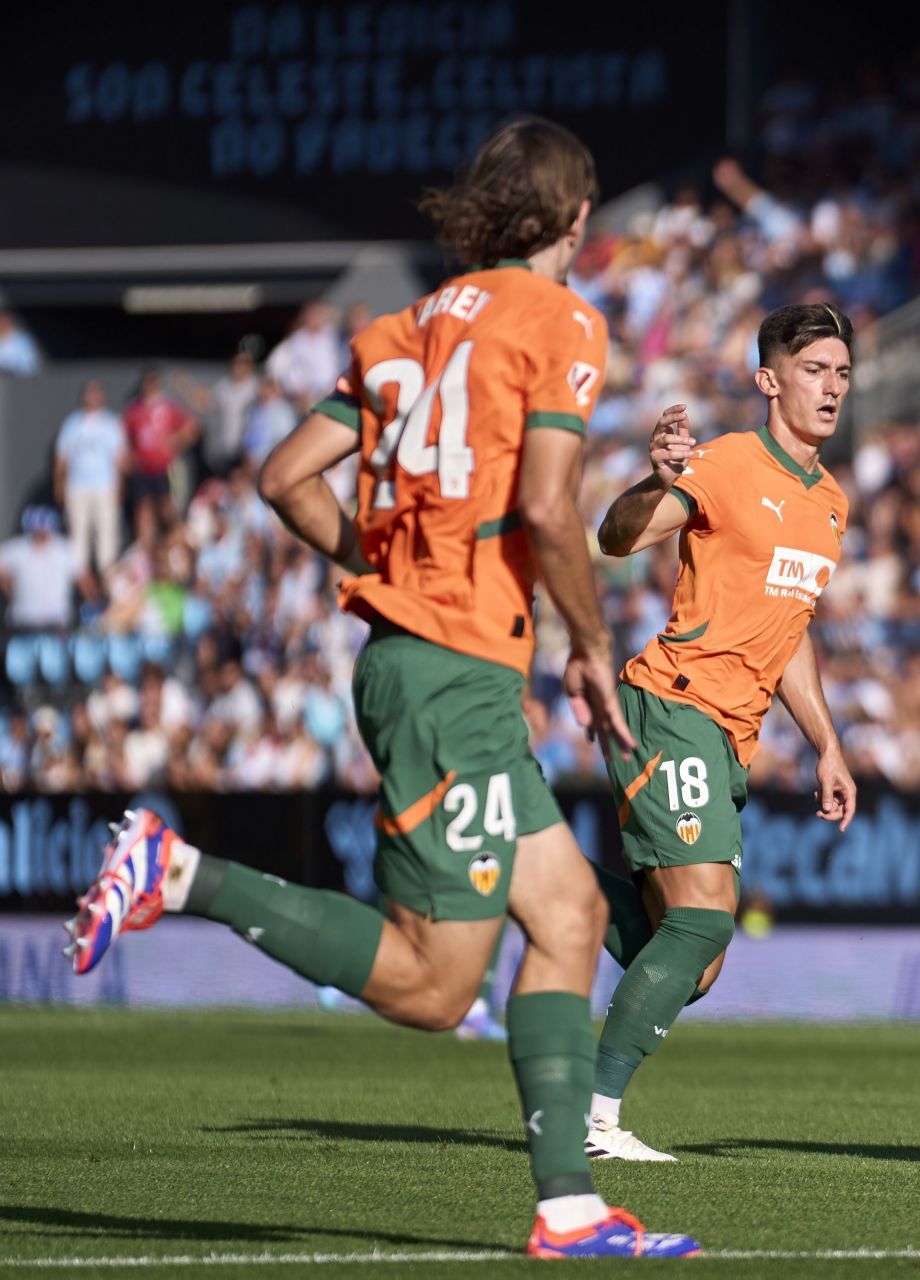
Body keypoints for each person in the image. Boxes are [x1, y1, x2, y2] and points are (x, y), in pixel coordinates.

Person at [64, 116, 699, 1260]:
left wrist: (376, 565)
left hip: (417, 657)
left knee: (570, 912)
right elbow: (552, 507)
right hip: (455, 674)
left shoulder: (401, 330)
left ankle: (567, 1208)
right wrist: (592, 646)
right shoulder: (561, 320)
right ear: (573, 217)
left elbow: (282, 477)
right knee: (434, 984)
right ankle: (180, 870)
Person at [583, 302, 858, 1162]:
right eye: (814, 371)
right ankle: (591, 1120)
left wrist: (826, 742)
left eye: (843, 373)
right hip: (675, 704)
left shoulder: (832, 504)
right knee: (704, 922)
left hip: (730, 734)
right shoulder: (731, 463)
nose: (832, 388)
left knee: (694, 965)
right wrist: (657, 480)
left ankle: (544, 874)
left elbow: (791, 629)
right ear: (769, 381)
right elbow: (616, 539)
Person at [54, 380, 128, 585]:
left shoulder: (111, 423)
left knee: (107, 535)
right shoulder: (72, 423)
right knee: (78, 537)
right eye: (89, 393)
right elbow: (62, 458)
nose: (92, 397)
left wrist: (120, 483)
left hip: (104, 486)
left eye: (96, 393)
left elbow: (119, 458)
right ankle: (82, 585)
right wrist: (59, 483)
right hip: (77, 487)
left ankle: (108, 582)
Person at [122, 369, 198, 544]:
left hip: (164, 467)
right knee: (143, 507)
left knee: (167, 507)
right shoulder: (133, 410)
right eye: (146, 383)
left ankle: (180, 542)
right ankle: (145, 547)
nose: (149, 387)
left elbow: (193, 428)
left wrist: (177, 441)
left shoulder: (168, 407)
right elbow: (124, 438)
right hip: (142, 467)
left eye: (153, 382)